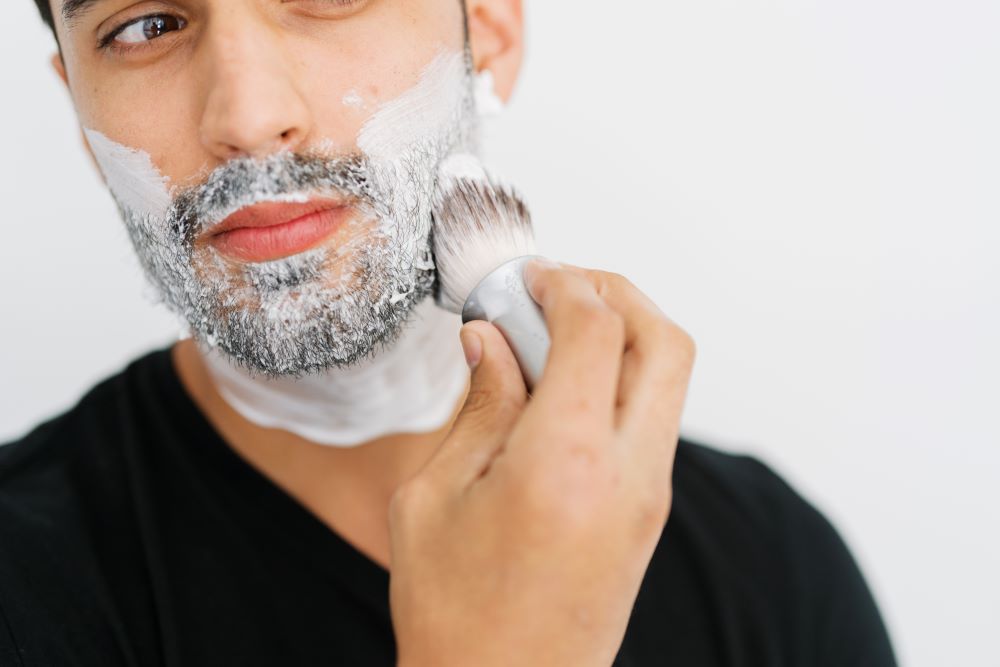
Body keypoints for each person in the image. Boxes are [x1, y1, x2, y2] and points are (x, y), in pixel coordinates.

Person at [0, 1, 897, 665]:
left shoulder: (772, 564)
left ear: (489, 35)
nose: (243, 115)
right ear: (80, 108)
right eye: (144, 26)